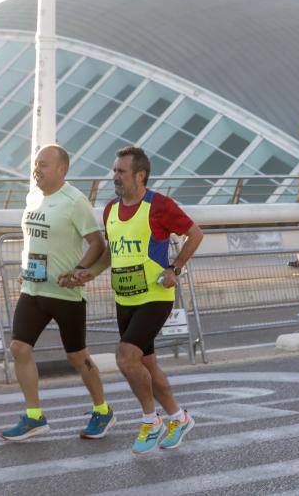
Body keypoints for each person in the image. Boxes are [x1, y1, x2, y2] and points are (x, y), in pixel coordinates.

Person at [72, 146, 204, 455]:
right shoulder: (110, 210)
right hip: (125, 298)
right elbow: (111, 253)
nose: (114, 176)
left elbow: (195, 234)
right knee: (146, 364)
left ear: (139, 175)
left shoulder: (159, 205)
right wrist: (87, 273)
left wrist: (176, 268)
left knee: (125, 357)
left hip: (156, 295)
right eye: (114, 170)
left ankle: (150, 421)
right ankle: (178, 417)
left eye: (120, 171)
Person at [1, 144, 114, 441]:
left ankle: (102, 410)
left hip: (65, 294)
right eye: (35, 164)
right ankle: (34, 416)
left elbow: (97, 244)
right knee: (19, 348)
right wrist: (26, 267)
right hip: (33, 288)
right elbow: (32, 239)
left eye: (43, 165)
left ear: (61, 170)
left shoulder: (74, 200)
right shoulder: (33, 196)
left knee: (77, 357)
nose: (36, 169)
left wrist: (79, 271)